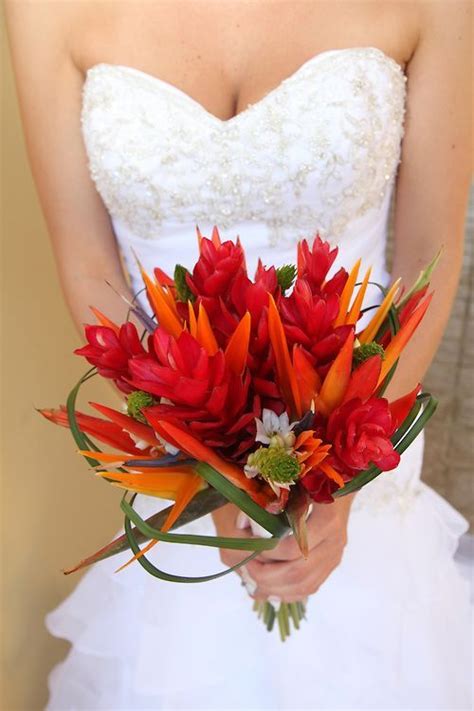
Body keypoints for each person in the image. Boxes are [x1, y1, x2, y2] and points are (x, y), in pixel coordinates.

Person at [5, 1, 472, 708]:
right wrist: (214, 476)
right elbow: (88, 264)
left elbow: (425, 259)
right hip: (186, 458)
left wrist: (337, 481)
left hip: (361, 460)